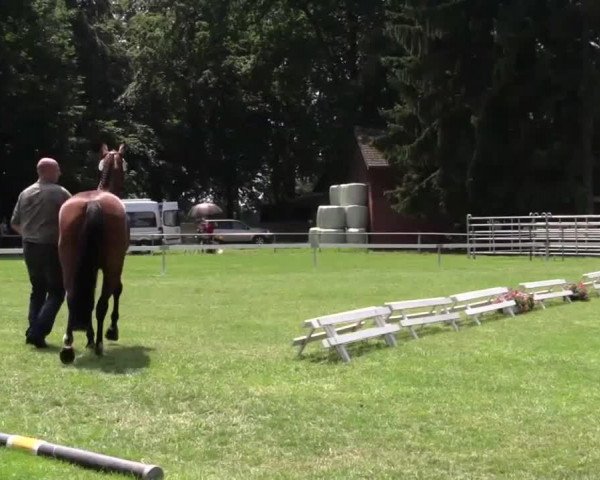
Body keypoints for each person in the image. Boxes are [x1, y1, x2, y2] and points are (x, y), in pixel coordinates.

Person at [11, 158, 71, 348]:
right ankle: (38, 332)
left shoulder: (25, 193)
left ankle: (32, 330)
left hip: (29, 247)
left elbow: (15, 222)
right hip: (51, 247)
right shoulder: (61, 193)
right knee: (57, 292)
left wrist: (29, 235)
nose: (60, 173)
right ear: (49, 171)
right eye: (58, 170)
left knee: (37, 290)